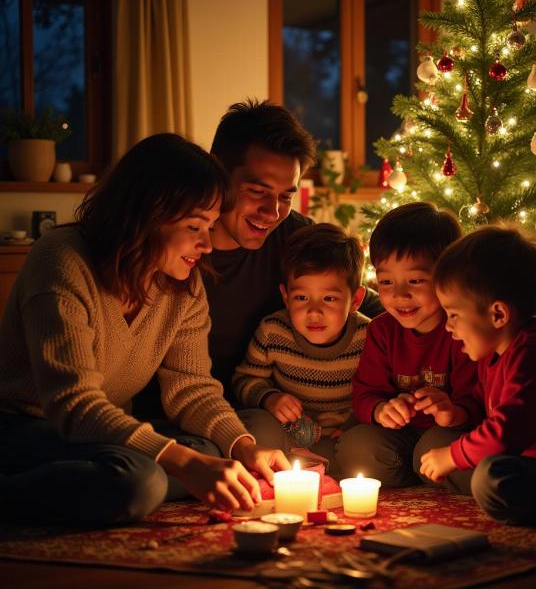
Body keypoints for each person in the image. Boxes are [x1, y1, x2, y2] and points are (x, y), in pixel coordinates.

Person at [0, 133, 289, 526]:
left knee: (211, 451)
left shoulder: (182, 282)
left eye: (210, 225)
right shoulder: (62, 261)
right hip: (26, 427)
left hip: (104, 436)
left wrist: (242, 447)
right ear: (147, 215)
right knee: (141, 479)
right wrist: (183, 462)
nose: (206, 244)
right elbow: (74, 405)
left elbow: (192, 388)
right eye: (194, 226)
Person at [415, 225, 536, 524]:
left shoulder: (535, 354)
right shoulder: (495, 354)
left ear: (498, 314)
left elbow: (505, 430)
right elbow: (482, 404)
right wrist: (457, 412)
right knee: (427, 456)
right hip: (534, 464)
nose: (447, 327)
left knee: (492, 478)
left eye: (453, 315)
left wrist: (452, 456)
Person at [206, 99, 383, 401]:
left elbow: (364, 302)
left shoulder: (297, 238)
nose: (272, 212)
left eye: (286, 196)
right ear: (218, 173)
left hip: (266, 410)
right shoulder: (179, 245)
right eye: (257, 191)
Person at [335, 202, 479, 487]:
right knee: (356, 448)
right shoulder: (381, 330)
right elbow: (365, 393)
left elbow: (478, 402)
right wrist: (381, 409)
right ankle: (415, 473)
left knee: (437, 449)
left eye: (415, 280)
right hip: (400, 436)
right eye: (386, 281)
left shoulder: (461, 330)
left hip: (446, 433)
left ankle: (422, 469)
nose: (399, 295)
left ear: (448, 276)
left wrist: (453, 412)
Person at [232, 223, 370, 475]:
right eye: (301, 298)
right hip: (286, 437)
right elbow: (244, 379)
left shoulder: (368, 337)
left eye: (329, 298)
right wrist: (269, 398)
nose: (314, 311)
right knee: (255, 425)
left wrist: (355, 423)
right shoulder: (274, 331)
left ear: (356, 300)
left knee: (366, 447)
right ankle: (294, 467)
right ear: (286, 296)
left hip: (344, 437)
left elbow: (378, 389)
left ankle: (327, 466)